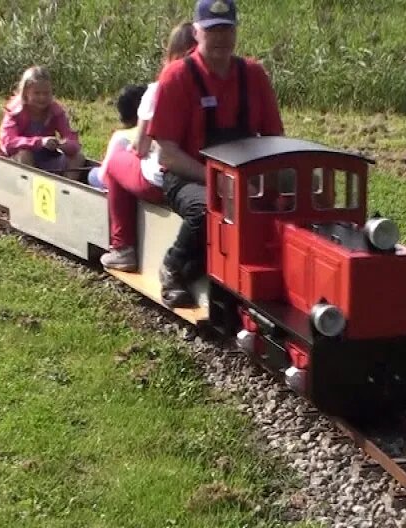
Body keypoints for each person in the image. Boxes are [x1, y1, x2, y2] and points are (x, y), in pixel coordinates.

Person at [145, 0, 283, 306]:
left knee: (294, 202)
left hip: (246, 174)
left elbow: (275, 138)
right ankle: (174, 267)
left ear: (236, 31)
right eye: (212, 30)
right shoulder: (177, 77)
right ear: (196, 33)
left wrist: (274, 183)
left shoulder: (254, 75)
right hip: (188, 175)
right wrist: (216, 180)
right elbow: (167, 154)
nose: (220, 37)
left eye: (226, 29)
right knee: (209, 209)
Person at [99, 22, 198, 271]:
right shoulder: (211, 88)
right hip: (194, 175)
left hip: (162, 179)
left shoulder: (157, 90)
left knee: (115, 161)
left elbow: (141, 147)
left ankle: (122, 248)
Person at [0, 66, 84, 180]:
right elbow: (8, 143)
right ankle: (29, 191)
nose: (42, 98)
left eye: (46, 93)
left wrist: (64, 145)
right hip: (18, 162)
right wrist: (40, 142)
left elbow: (72, 139)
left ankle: (67, 191)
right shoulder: (15, 111)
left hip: (46, 158)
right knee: (25, 154)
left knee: (78, 157)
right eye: (37, 93)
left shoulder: (55, 111)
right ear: (26, 92)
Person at [88, 84, 148, 192]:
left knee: (92, 174)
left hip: (119, 183)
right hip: (140, 180)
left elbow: (104, 175)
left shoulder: (120, 136)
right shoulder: (152, 134)